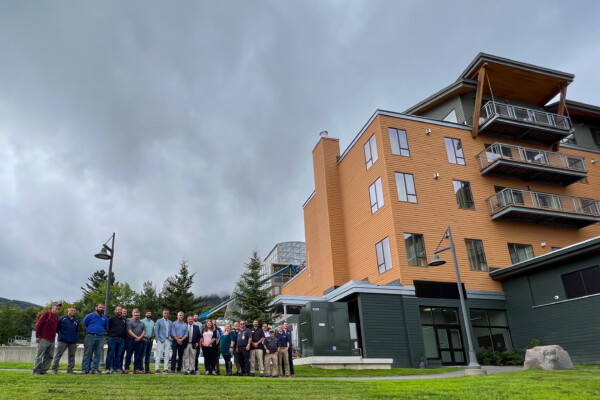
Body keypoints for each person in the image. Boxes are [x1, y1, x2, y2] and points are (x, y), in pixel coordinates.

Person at [32, 301, 61, 375]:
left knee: (49, 356)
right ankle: (36, 370)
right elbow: (39, 325)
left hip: (52, 339)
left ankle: (44, 370)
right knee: (40, 355)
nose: (58, 307)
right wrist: (37, 336)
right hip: (44, 338)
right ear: (52, 306)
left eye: (59, 306)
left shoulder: (56, 316)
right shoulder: (47, 314)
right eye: (57, 306)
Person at [82, 303, 109, 374]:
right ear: (96, 307)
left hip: (100, 337)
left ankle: (95, 369)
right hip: (90, 336)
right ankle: (85, 369)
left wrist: (102, 333)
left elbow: (106, 328)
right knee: (88, 353)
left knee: (98, 354)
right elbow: (84, 325)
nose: (101, 309)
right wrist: (88, 332)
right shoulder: (90, 316)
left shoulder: (105, 318)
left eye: (103, 308)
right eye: (100, 307)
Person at [51, 306, 79, 374]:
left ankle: (70, 370)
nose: (73, 312)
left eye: (74, 311)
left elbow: (76, 329)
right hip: (63, 340)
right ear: (68, 311)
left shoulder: (76, 320)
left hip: (73, 341)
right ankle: (54, 369)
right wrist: (62, 335)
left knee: (72, 355)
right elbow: (57, 328)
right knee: (58, 355)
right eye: (72, 310)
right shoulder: (62, 319)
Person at [124, 308, 146, 374]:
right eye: (136, 315)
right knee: (129, 355)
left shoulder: (142, 323)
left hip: (139, 341)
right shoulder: (129, 322)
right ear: (133, 315)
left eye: (138, 315)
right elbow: (129, 331)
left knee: (138, 356)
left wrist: (140, 338)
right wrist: (136, 337)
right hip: (131, 340)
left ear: (140, 315)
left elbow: (144, 331)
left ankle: (136, 369)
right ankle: (127, 368)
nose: (137, 316)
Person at [105, 306, 126, 374]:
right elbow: (107, 328)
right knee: (110, 354)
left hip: (121, 340)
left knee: (118, 355)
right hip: (113, 339)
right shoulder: (111, 319)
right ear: (115, 311)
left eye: (121, 310)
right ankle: (108, 368)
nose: (119, 311)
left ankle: (116, 368)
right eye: (118, 310)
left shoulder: (124, 320)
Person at [154, 309, 172, 374]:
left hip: (168, 339)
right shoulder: (159, 321)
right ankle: (157, 368)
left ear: (168, 314)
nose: (166, 314)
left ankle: (166, 369)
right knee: (159, 354)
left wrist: (171, 338)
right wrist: (157, 339)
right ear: (162, 314)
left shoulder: (170, 322)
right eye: (165, 313)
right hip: (160, 339)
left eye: (167, 313)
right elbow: (156, 330)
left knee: (167, 354)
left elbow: (171, 331)